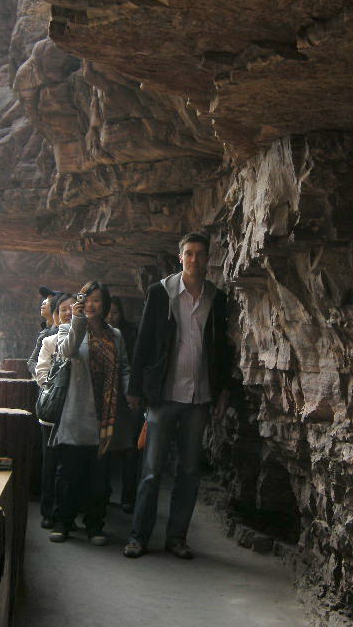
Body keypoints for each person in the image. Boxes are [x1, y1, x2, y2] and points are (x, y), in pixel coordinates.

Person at [123, 231, 235, 559]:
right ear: (180, 257)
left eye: (200, 254)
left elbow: (222, 350)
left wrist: (222, 390)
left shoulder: (217, 298)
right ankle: (138, 537)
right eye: (189, 253)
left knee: (189, 472)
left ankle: (177, 538)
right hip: (163, 395)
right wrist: (135, 390)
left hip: (198, 397)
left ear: (208, 258)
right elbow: (144, 341)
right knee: (152, 470)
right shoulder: (162, 293)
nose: (195, 259)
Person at [41, 281, 130, 545]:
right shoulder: (69, 328)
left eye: (97, 301)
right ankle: (63, 523)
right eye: (87, 300)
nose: (92, 305)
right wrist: (78, 319)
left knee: (98, 477)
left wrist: (130, 393)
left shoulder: (115, 335)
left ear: (105, 305)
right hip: (74, 411)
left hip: (105, 415)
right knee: (68, 473)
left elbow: (124, 367)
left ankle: (94, 525)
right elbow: (68, 351)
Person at [30, 289, 67, 529]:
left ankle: (64, 510)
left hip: (74, 407)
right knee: (51, 460)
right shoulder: (48, 338)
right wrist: (50, 388)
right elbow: (35, 365)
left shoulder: (85, 335)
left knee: (67, 461)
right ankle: (48, 510)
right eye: (62, 309)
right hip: (53, 407)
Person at [106, 297, 139, 511]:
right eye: (108, 313)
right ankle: (103, 495)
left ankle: (128, 497)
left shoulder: (130, 334)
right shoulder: (96, 333)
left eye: (115, 313)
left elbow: (133, 365)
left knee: (130, 448)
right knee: (105, 448)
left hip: (127, 397)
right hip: (106, 397)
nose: (111, 317)